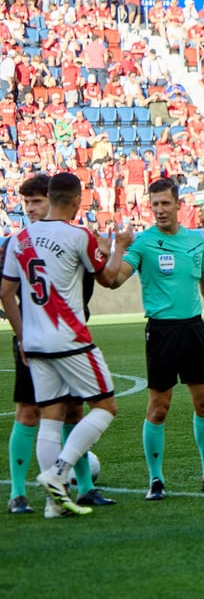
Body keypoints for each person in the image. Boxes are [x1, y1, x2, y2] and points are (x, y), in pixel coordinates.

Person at [102, 177, 204, 498]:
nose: (160, 210)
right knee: (159, 407)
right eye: (155, 205)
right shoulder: (143, 243)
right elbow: (114, 280)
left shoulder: (194, 241)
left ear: (179, 205)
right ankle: (155, 480)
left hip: (193, 329)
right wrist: (118, 249)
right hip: (161, 332)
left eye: (165, 203)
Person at [0, 173, 117, 517]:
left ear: (49, 197)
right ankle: (59, 472)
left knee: (51, 418)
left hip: (33, 343)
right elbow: (108, 279)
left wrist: (22, 336)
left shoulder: (18, 239)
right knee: (106, 406)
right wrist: (119, 247)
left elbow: (6, 293)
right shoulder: (79, 235)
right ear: (77, 200)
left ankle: (55, 504)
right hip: (70, 339)